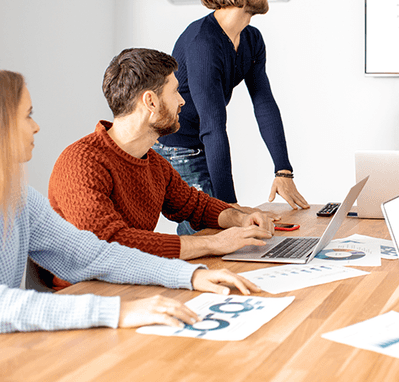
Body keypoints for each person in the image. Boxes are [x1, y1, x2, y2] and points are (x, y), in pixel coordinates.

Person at [0, 70, 261, 333]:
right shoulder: (81, 160)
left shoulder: (20, 198)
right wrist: (117, 311)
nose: (36, 126)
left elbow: (92, 253)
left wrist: (190, 275)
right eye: (28, 115)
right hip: (81, 302)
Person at [48, 49, 276, 289]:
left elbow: (196, 206)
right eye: (175, 91)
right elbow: (110, 243)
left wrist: (241, 219)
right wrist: (213, 243)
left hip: (134, 282)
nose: (182, 101)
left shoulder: (154, 163)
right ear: (151, 101)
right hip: (86, 293)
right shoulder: (81, 162)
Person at [154, 0, 308, 236]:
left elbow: (264, 104)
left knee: (226, 225)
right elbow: (213, 127)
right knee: (213, 230)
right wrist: (230, 206)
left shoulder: (251, 39)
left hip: (204, 138)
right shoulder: (203, 43)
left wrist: (283, 170)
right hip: (178, 145)